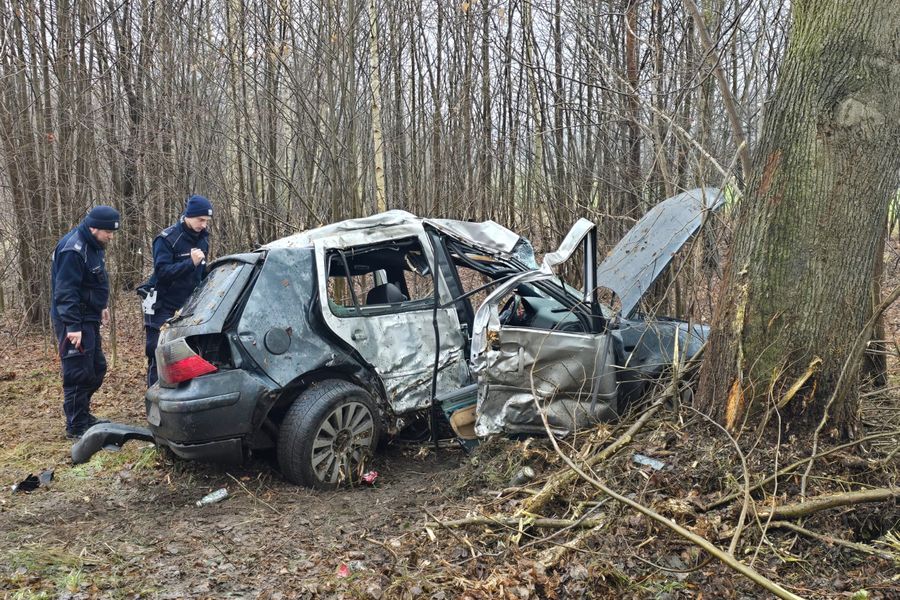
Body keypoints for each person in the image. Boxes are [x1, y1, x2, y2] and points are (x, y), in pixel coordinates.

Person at [50, 205, 120, 439]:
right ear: (93, 228)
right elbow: (65, 291)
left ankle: (82, 414)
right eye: (108, 232)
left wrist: (102, 306)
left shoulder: (94, 246)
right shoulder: (73, 250)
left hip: (89, 317)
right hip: (73, 321)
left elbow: (93, 281)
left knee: (97, 368)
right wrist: (73, 326)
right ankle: (76, 426)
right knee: (77, 373)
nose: (111, 237)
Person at [144, 195, 213, 387]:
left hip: (188, 306)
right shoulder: (167, 239)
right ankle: (155, 396)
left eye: (207, 221)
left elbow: (200, 274)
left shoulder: (203, 239)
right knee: (159, 353)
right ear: (188, 216)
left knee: (186, 354)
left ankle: (181, 397)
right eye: (200, 220)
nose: (203, 225)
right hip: (162, 305)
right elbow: (162, 272)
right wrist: (190, 263)